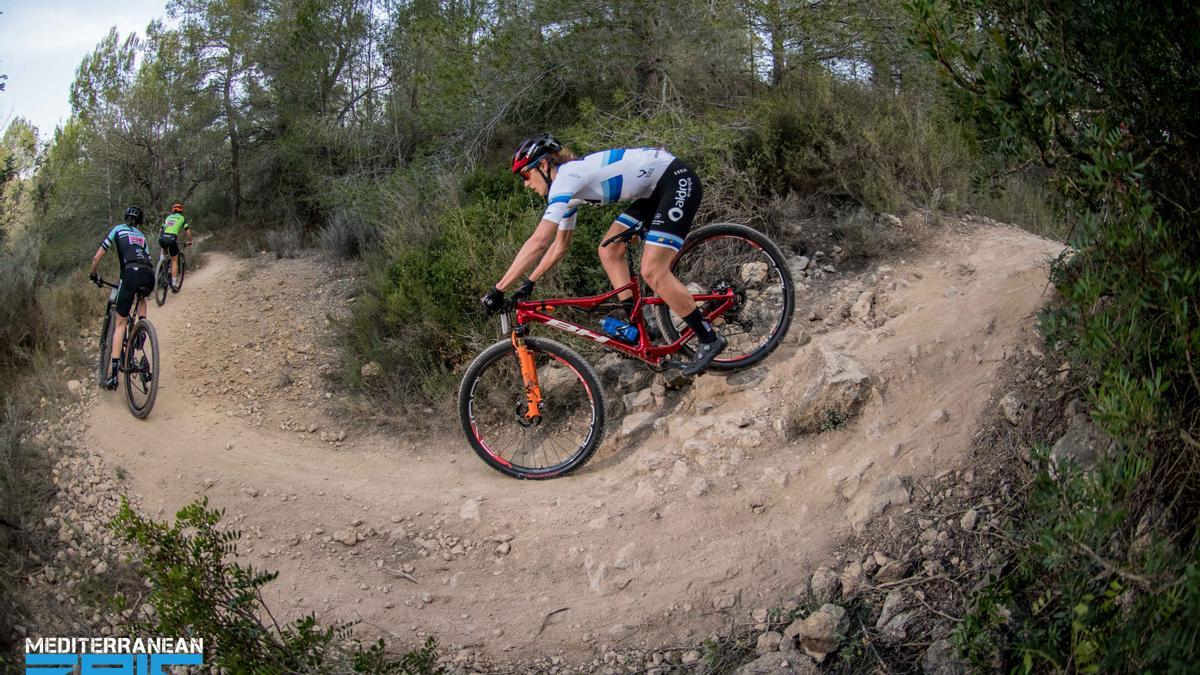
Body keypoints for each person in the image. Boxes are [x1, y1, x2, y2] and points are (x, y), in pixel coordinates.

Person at [481, 133, 726, 376]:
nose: (525, 184)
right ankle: (642, 323)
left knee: (652, 271)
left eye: (526, 174)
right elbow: (559, 245)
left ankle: (708, 337)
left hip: (674, 181)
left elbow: (540, 240)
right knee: (609, 250)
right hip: (653, 192)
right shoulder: (567, 192)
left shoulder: (566, 177)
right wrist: (528, 283)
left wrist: (499, 289)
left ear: (543, 165)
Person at [89, 206, 154, 389]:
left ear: (126, 218)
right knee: (141, 297)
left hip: (129, 274)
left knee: (120, 323)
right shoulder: (142, 237)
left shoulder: (118, 229)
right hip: (148, 275)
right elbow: (148, 258)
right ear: (139, 222)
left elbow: (97, 257)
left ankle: (114, 375)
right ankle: (142, 326)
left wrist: (93, 273)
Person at [160, 202, 192, 282]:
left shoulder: (168, 217)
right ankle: (174, 283)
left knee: (163, 247)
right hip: (172, 238)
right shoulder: (182, 218)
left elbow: (161, 229)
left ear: (173, 211)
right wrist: (189, 241)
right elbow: (187, 231)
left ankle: (161, 262)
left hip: (163, 238)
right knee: (174, 260)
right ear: (181, 211)